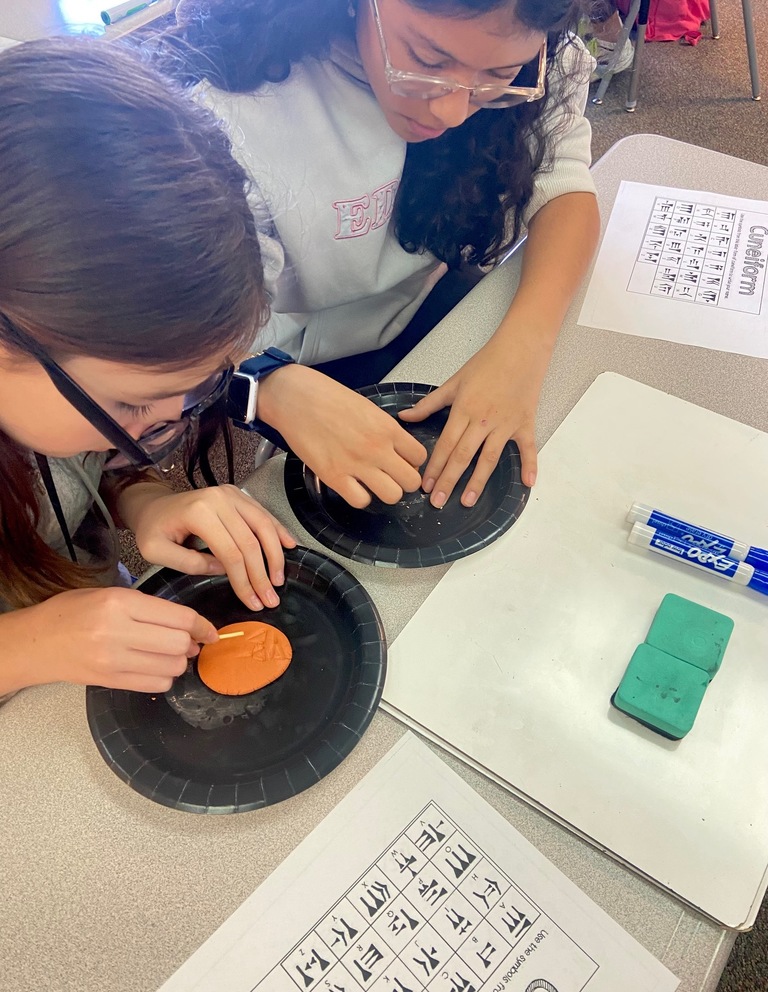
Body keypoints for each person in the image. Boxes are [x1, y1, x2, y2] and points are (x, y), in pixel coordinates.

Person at [163, 0, 600, 510]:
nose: (453, 111)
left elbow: (565, 187)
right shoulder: (223, 110)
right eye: (428, 61)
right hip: (274, 350)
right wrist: (267, 384)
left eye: (497, 77)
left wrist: (525, 346)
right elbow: (176, 319)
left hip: (420, 307)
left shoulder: (531, 46)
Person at [0, 37, 296, 703]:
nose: (164, 422)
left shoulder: (53, 385)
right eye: (132, 406)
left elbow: (73, 470)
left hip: (92, 641)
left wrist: (147, 500)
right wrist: (24, 646)